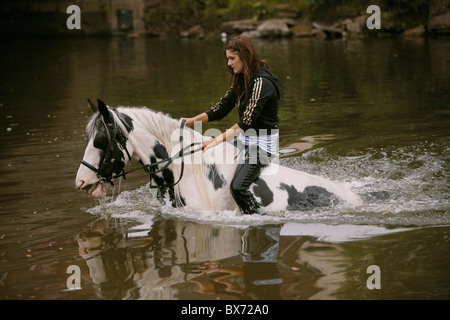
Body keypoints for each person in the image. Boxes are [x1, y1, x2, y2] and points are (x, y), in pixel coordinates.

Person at [182, 35, 280, 215]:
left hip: (261, 146)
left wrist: (214, 141)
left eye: (232, 58)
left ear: (245, 56)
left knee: (238, 187)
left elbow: (245, 122)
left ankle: (259, 221)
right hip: (244, 140)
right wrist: (190, 121)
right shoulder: (242, 79)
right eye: (227, 59)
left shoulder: (262, 83)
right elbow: (221, 108)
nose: (228, 63)